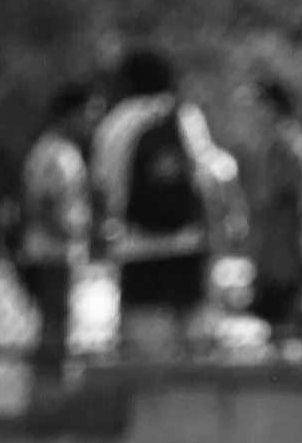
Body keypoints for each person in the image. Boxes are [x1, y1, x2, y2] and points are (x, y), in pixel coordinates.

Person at [90, 49, 239, 357]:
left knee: (146, 350)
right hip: (186, 247)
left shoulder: (113, 125)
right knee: (195, 346)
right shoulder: (184, 117)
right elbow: (209, 180)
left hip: (135, 249)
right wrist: (217, 238)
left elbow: (102, 191)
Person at [8, 81, 99, 389]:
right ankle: (47, 387)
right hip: (50, 252)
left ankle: (53, 383)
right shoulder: (52, 152)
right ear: (69, 113)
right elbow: (42, 205)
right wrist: (74, 233)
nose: (91, 121)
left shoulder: (66, 152)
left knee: (60, 321)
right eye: (87, 113)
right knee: (53, 323)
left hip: (61, 250)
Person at [244, 78, 302, 356]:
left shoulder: (287, 141)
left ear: (270, 107)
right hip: (280, 243)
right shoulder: (288, 139)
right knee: (279, 312)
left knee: (285, 312)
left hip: (285, 244)